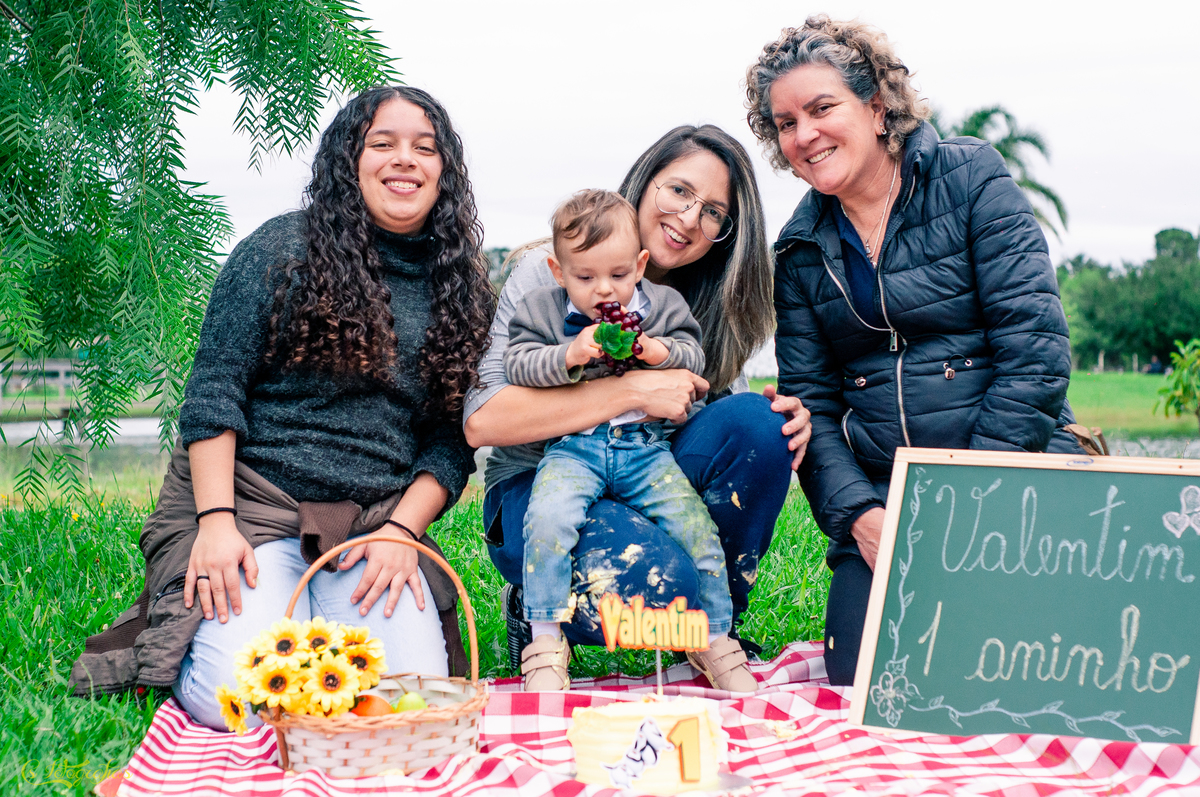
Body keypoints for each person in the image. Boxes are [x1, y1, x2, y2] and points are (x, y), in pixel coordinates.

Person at [69, 86, 495, 729]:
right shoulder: (281, 249)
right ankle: (212, 620)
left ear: (444, 171)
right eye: (383, 143)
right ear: (348, 159)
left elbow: (451, 440)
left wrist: (402, 533)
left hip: (374, 521)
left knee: (409, 698)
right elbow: (214, 394)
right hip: (250, 505)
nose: (405, 159)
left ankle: (308, 607)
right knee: (235, 703)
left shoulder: (459, 287)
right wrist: (215, 524)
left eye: (424, 147)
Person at [746, 16, 1085, 685]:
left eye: (821, 109)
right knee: (868, 679)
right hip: (887, 502)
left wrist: (963, 500)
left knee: (1035, 675)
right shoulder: (799, 249)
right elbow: (809, 405)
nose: (804, 136)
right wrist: (863, 519)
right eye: (786, 123)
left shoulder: (972, 179)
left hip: (1017, 476)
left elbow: (1036, 353)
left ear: (876, 107)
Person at [464, 125, 812, 685]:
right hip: (548, 471)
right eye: (679, 190)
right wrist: (625, 389)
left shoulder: (690, 303)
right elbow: (484, 419)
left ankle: (708, 637)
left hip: (645, 464)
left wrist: (780, 419)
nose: (690, 217)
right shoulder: (551, 276)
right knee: (661, 584)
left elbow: (706, 411)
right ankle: (540, 616)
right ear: (646, 181)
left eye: (714, 212)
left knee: (756, 424)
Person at [504, 189, 755, 692]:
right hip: (573, 448)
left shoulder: (663, 304)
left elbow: (692, 357)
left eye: (619, 275)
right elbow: (518, 364)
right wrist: (569, 354)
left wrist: (653, 350)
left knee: (696, 528)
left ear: (640, 265)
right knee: (549, 520)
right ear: (558, 272)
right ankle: (546, 637)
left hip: (644, 449)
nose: (605, 291)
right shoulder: (541, 310)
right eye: (585, 277)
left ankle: (715, 635)